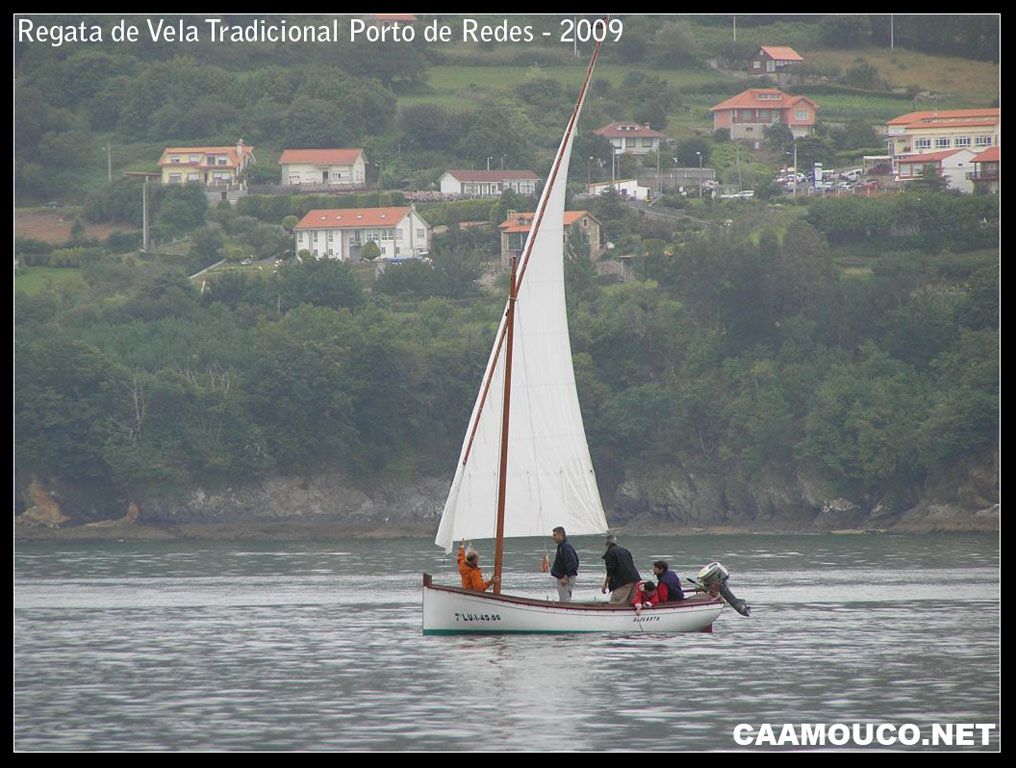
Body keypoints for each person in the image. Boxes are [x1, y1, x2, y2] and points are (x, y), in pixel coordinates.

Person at [601, 533, 640, 604]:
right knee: (630, 603)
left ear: (606, 543)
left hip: (623, 581)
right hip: (635, 578)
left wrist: (605, 584)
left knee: (615, 603)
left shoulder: (610, 552)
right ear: (616, 542)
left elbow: (610, 570)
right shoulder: (625, 550)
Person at [550, 526, 579, 602]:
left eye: (555, 535)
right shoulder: (561, 546)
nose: (553, 537)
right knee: (564, 599)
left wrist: (566, 577)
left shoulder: (565, 547)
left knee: (565, 601)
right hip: (562, 578)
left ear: (561, 535)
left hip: (565, 579)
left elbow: (573, 563)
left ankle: (566, 612)